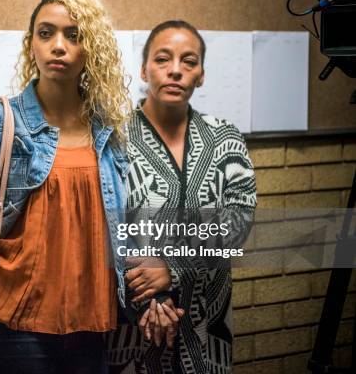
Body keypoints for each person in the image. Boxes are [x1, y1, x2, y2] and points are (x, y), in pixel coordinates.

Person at [0, 0, 133, 374]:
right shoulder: (0, 122)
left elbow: (127, 223)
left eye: (74, 35)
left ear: (92, 48)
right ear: (31, 44)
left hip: (92, 326)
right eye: (46, 33)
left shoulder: (109, 131)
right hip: (14, 327)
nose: (58, 46)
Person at [106, 20, 257, 373]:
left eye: (189, 61)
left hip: (206, 325)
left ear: (201, 74)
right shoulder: (113, 139)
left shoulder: (225, 138)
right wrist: (152, 297)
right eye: (163, 59)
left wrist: (172, 267)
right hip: (132, 324)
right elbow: (102, 225)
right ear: (144, 69)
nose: (175, 70)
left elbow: (239, 220)